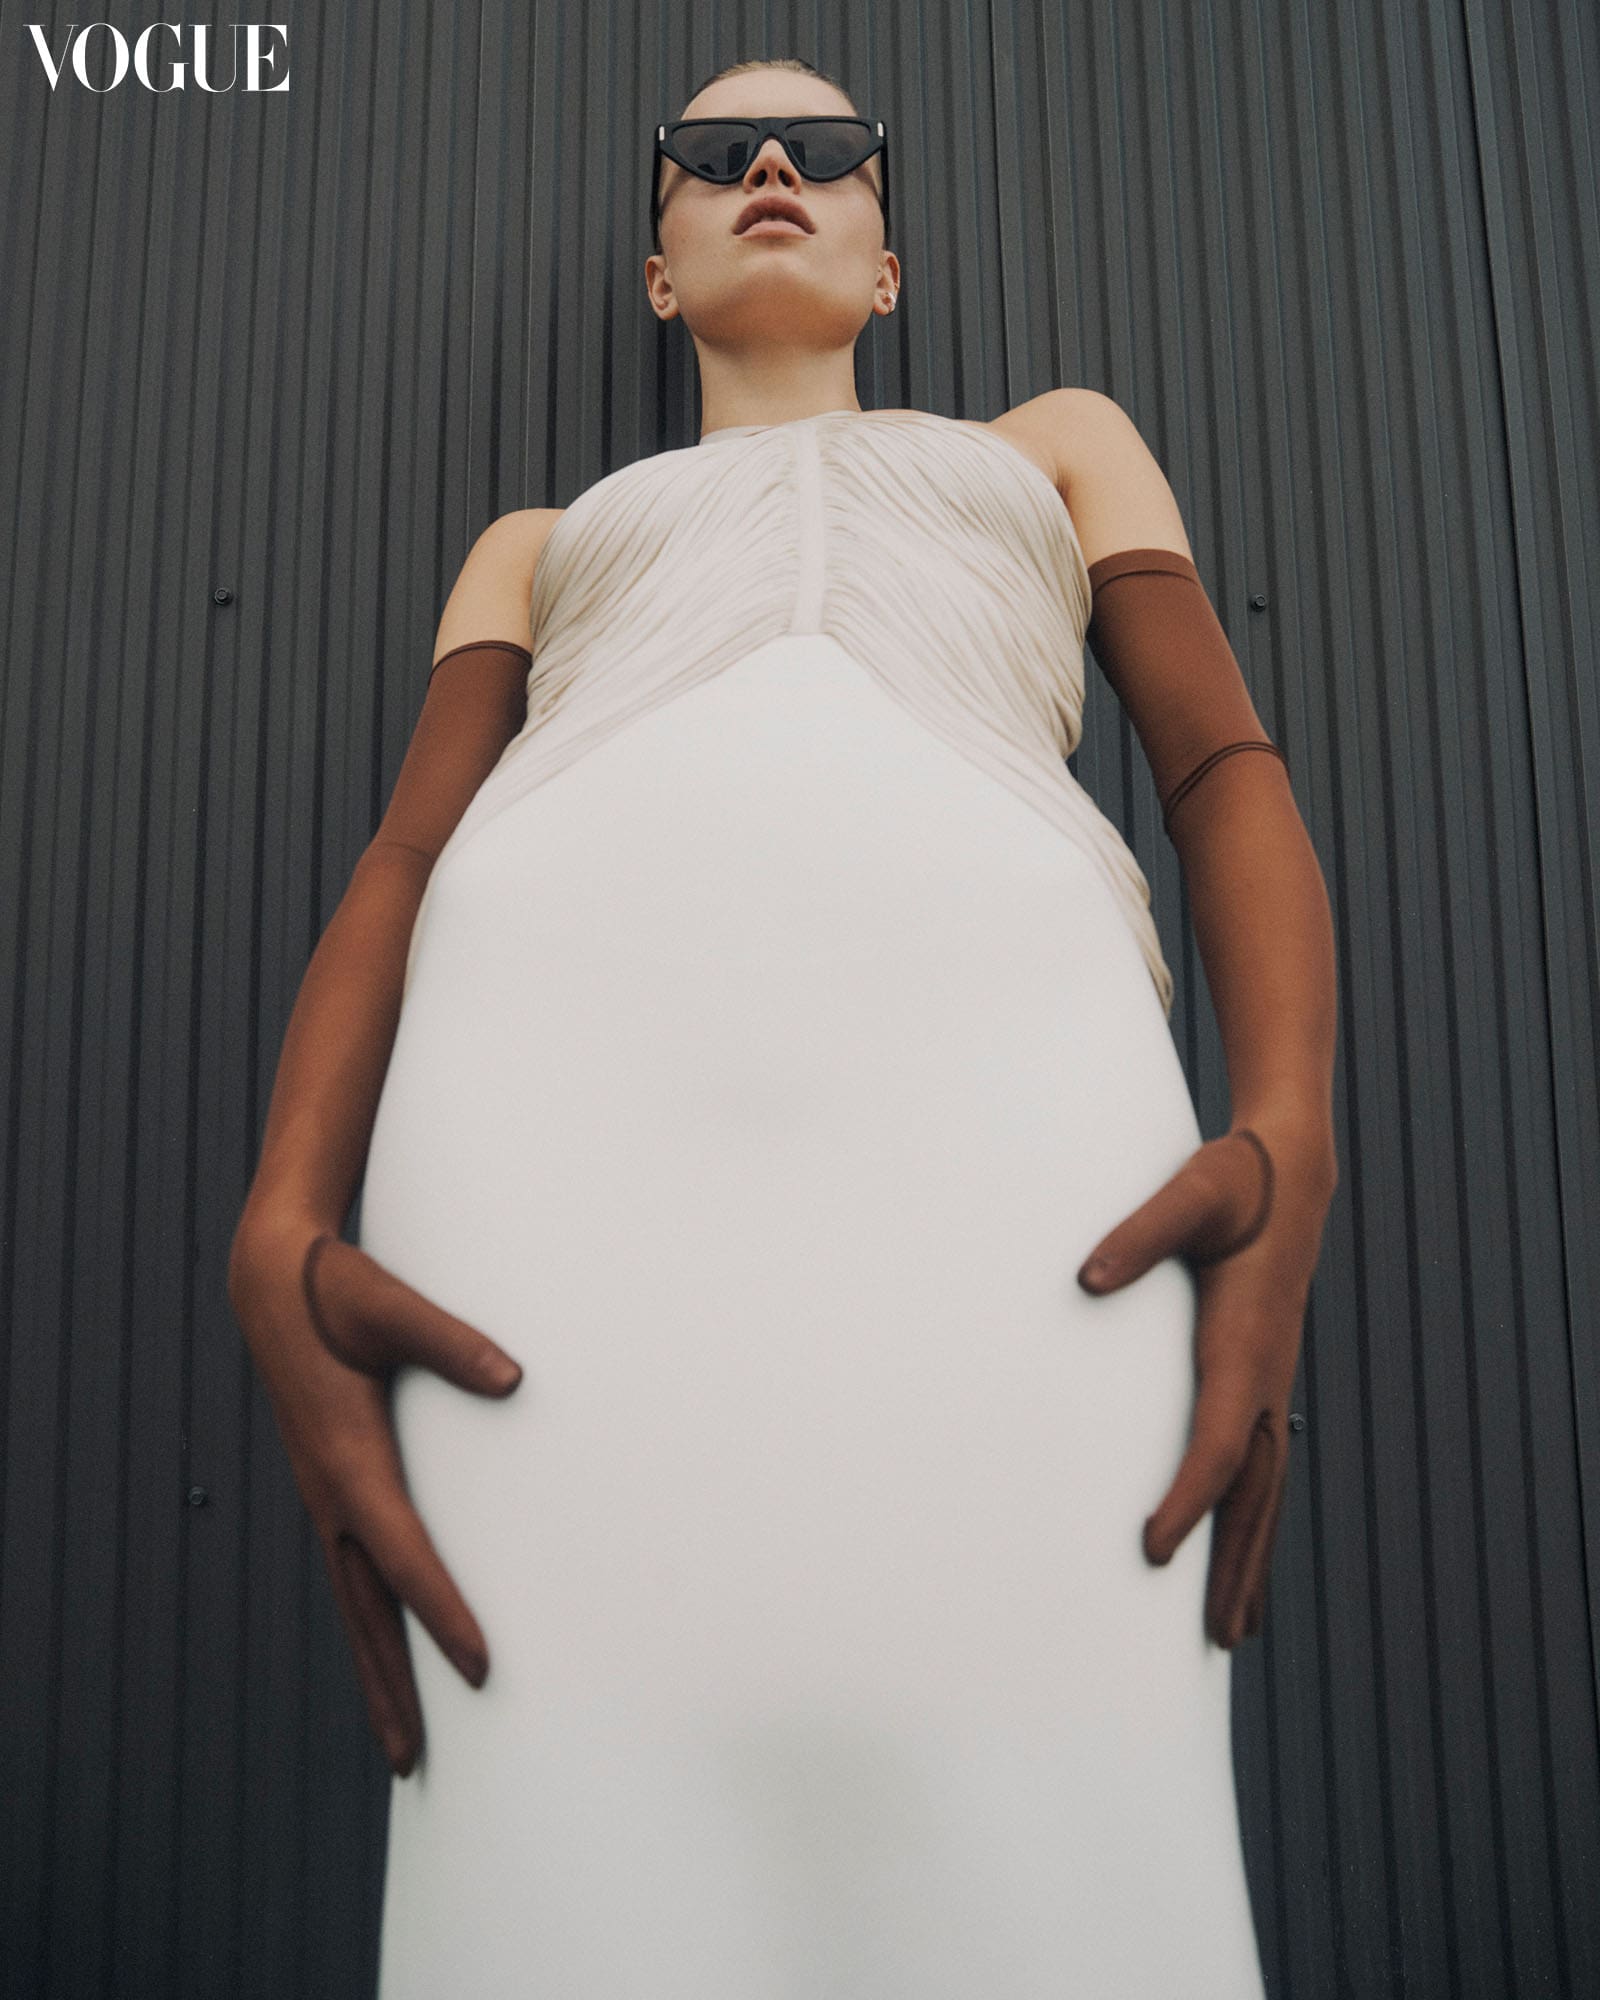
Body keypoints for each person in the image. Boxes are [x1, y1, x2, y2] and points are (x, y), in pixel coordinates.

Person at [228, 51, 1338, 1999]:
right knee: (551, 1848)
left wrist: (1289, 1130)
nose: (766, 163)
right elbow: (400, 866)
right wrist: (280, 1221)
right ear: (659, 269)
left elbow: (1223, 769)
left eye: (825, 152)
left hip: (1026, 1178)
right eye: (711, 154)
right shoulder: (540, 544)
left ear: (883, 261)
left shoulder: (1054, 448)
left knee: (1067, 1832)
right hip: (537, 1210)